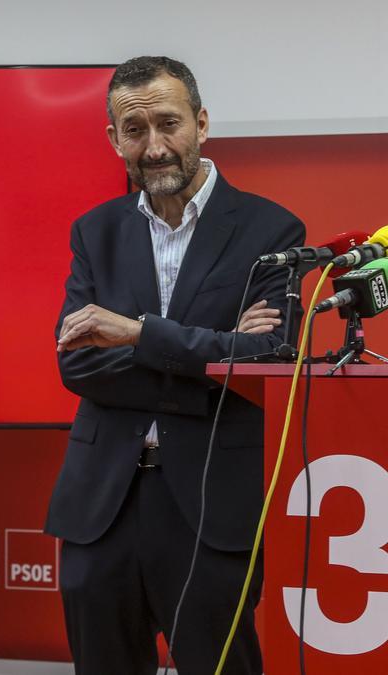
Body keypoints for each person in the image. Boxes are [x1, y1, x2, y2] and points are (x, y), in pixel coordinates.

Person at [45, 56, 305, 675]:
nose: (155, 147)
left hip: (211, 504)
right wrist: (210, 355)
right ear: (114, 139)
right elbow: (76, 366)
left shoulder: (272, 228)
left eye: (169, 124)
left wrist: (134, 334)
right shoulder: (96, 231)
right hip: (101, 506)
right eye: (135, 131)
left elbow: (267, 359)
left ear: (202, 123)